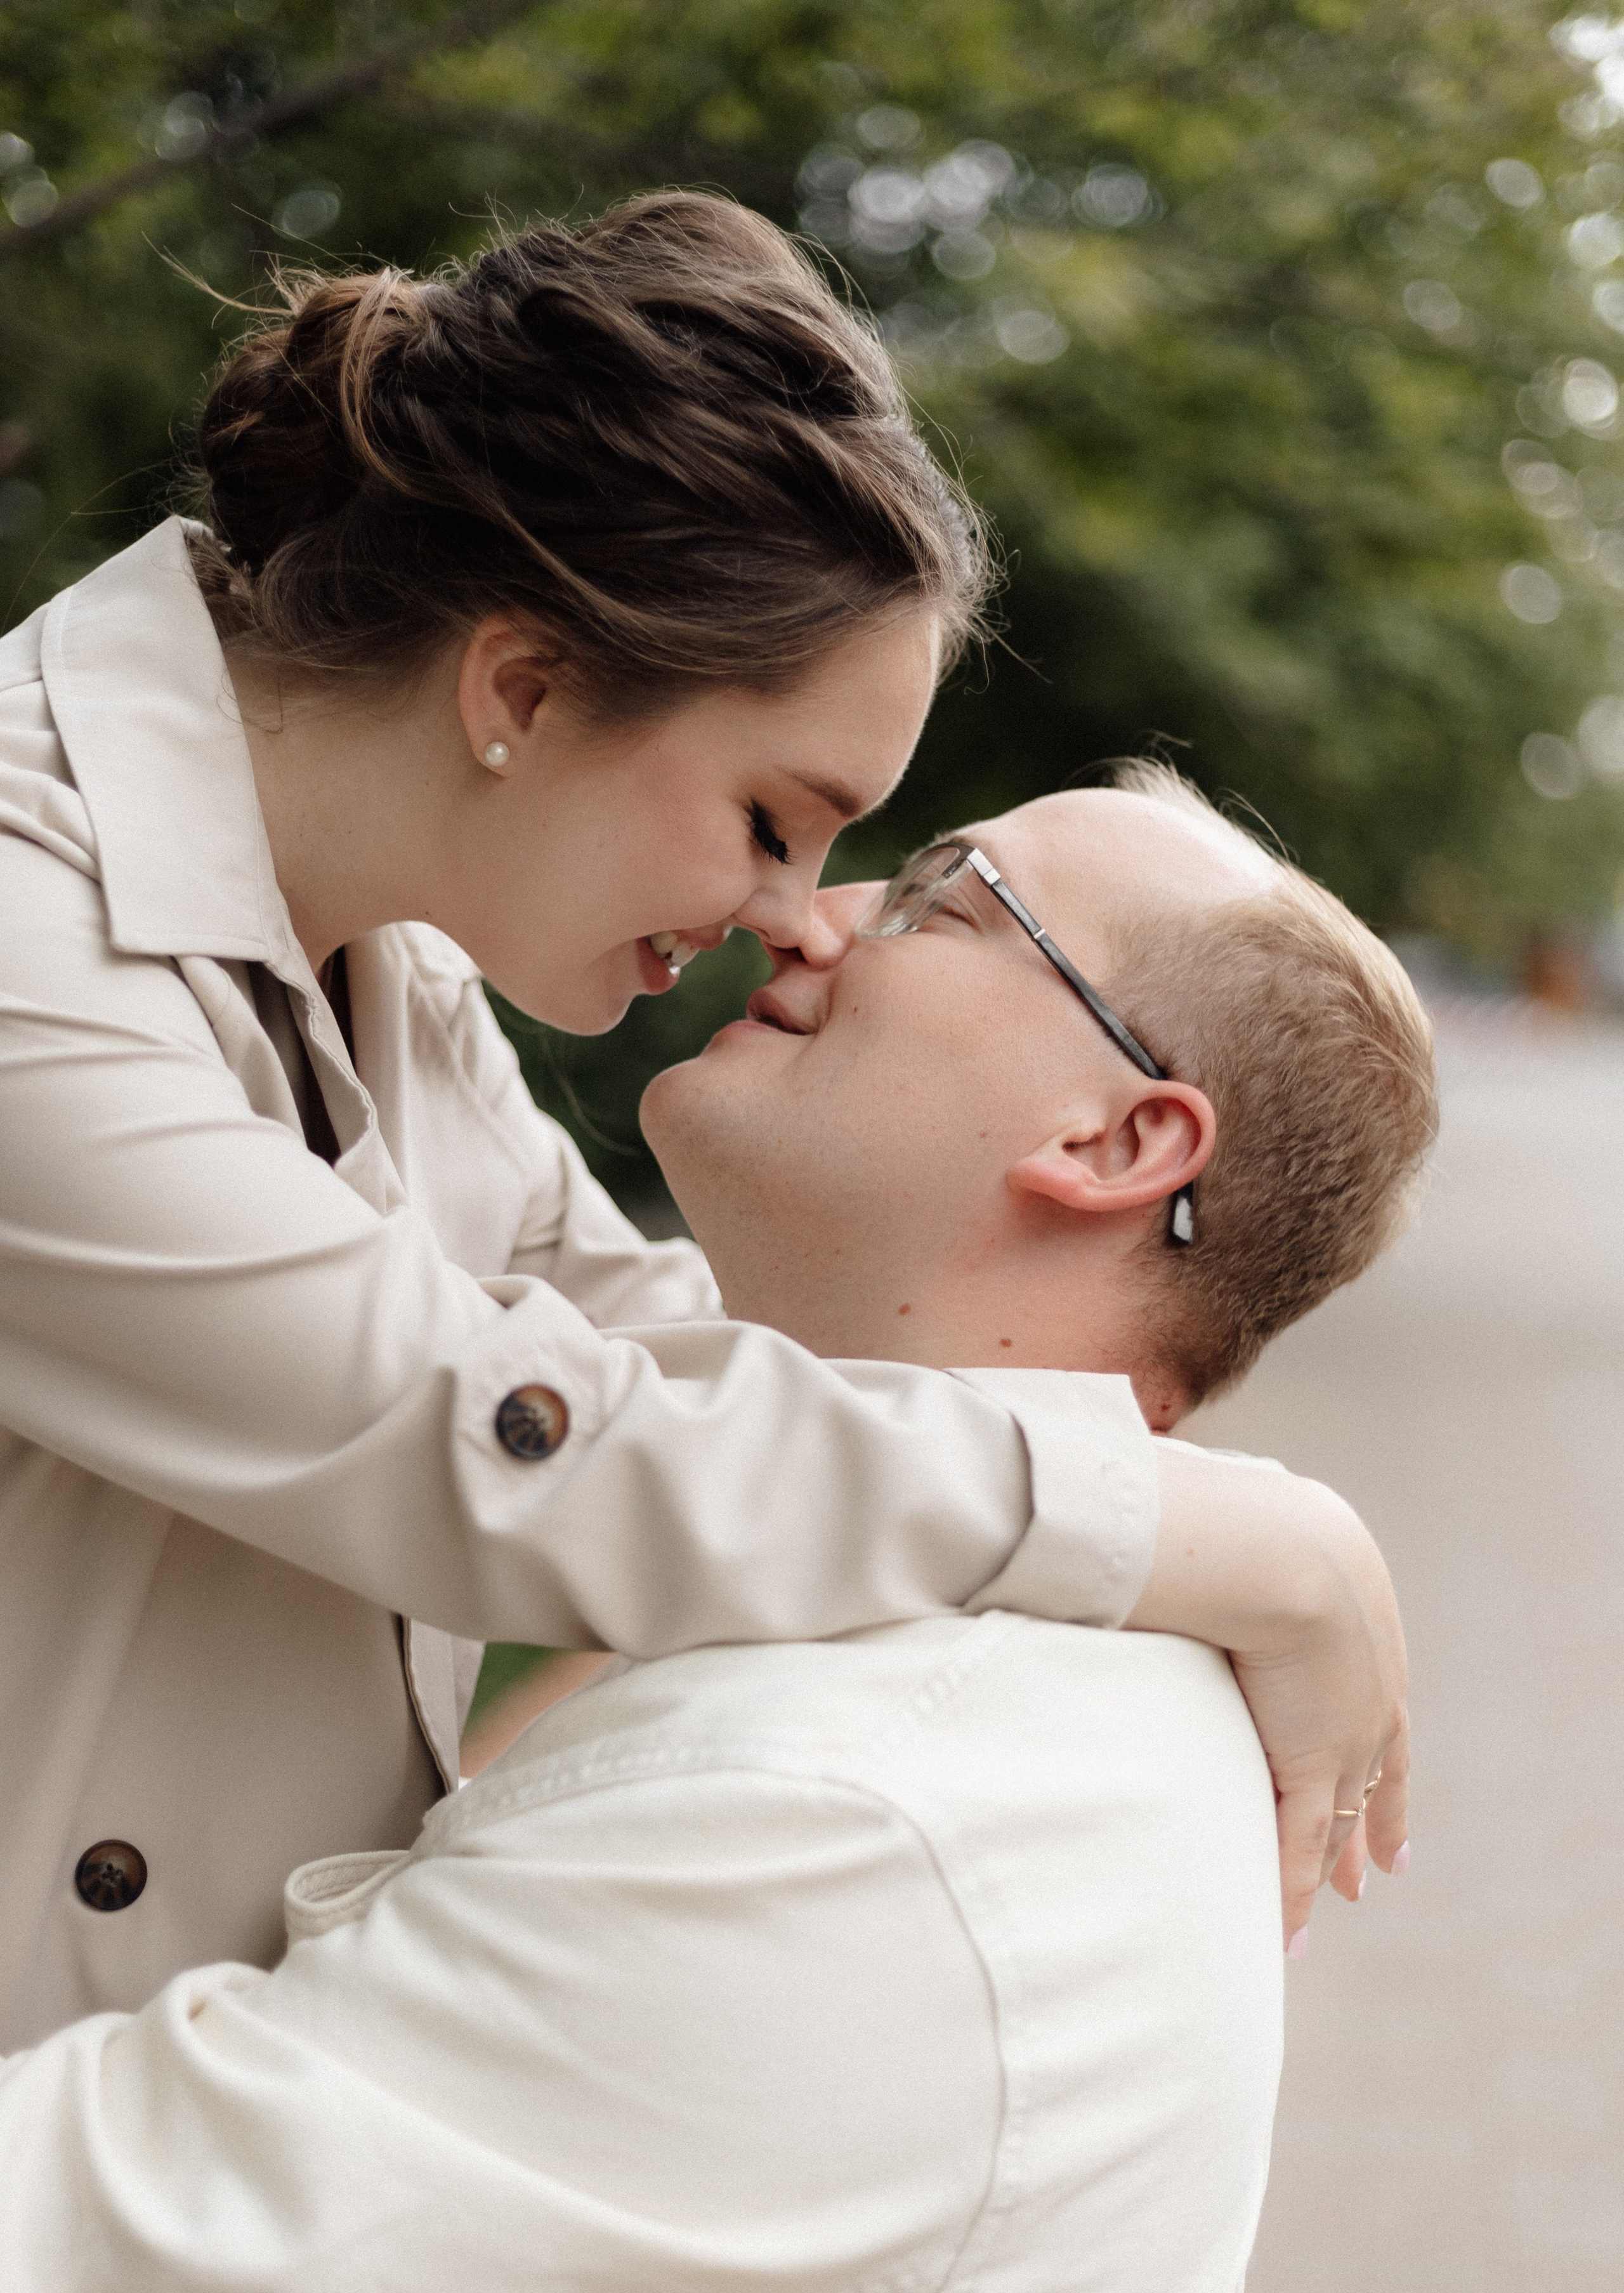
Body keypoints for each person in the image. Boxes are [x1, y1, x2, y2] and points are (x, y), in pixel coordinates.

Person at [0, 193, 1408, 2046]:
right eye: (773, 819)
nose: (794, 917)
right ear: (523, 687)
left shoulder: (380, 950)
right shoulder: (31, 935)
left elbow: (651, 1342)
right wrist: (1244, 1546)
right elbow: (504, 1449)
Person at [0, 777, 1436, 2293]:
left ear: (1117, 1141)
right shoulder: (1000, 1637)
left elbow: (69, 2287)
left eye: (948, 899)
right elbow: (584, 1388)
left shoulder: (840, 1805)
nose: (808, 914)